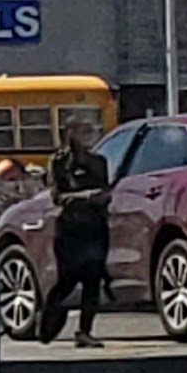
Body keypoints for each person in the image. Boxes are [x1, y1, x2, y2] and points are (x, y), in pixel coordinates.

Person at [40, 119, 111, 348]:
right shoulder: (59, 162)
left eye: (91, 130)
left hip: (95, 227)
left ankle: (85, 331)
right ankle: (48, 324)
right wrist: (85, 196)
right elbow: (57, 196)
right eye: (83, 131)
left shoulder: (99, 161)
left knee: (93, 280)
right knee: (68, 280)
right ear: (70, 133)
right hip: (71, 228)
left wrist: (103, 198)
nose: (88, 135)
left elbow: (105, 189)